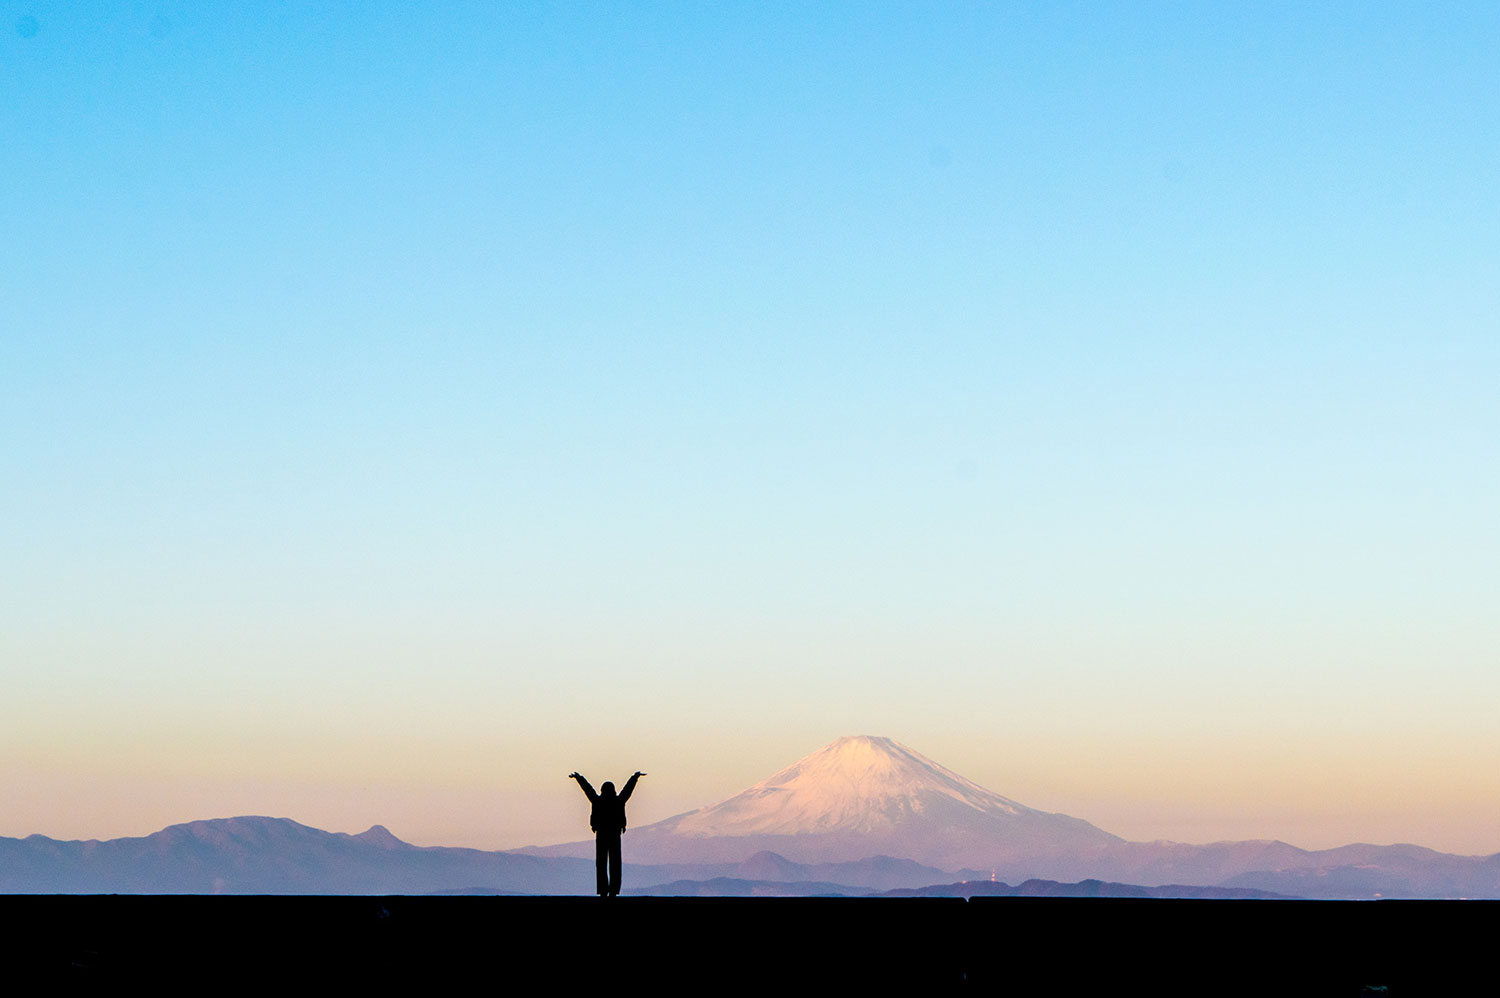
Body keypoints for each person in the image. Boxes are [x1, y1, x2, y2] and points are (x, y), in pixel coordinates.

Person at [568, 770, 644, 897]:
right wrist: (635, 777)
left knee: (601, 863)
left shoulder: (597, 801)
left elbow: (588, 789)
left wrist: (579, 778)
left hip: (602, 834)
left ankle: (603, 890)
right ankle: (613, 891)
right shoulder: (618, 801)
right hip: (614, 834)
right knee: (615, 863)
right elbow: (627, 790)